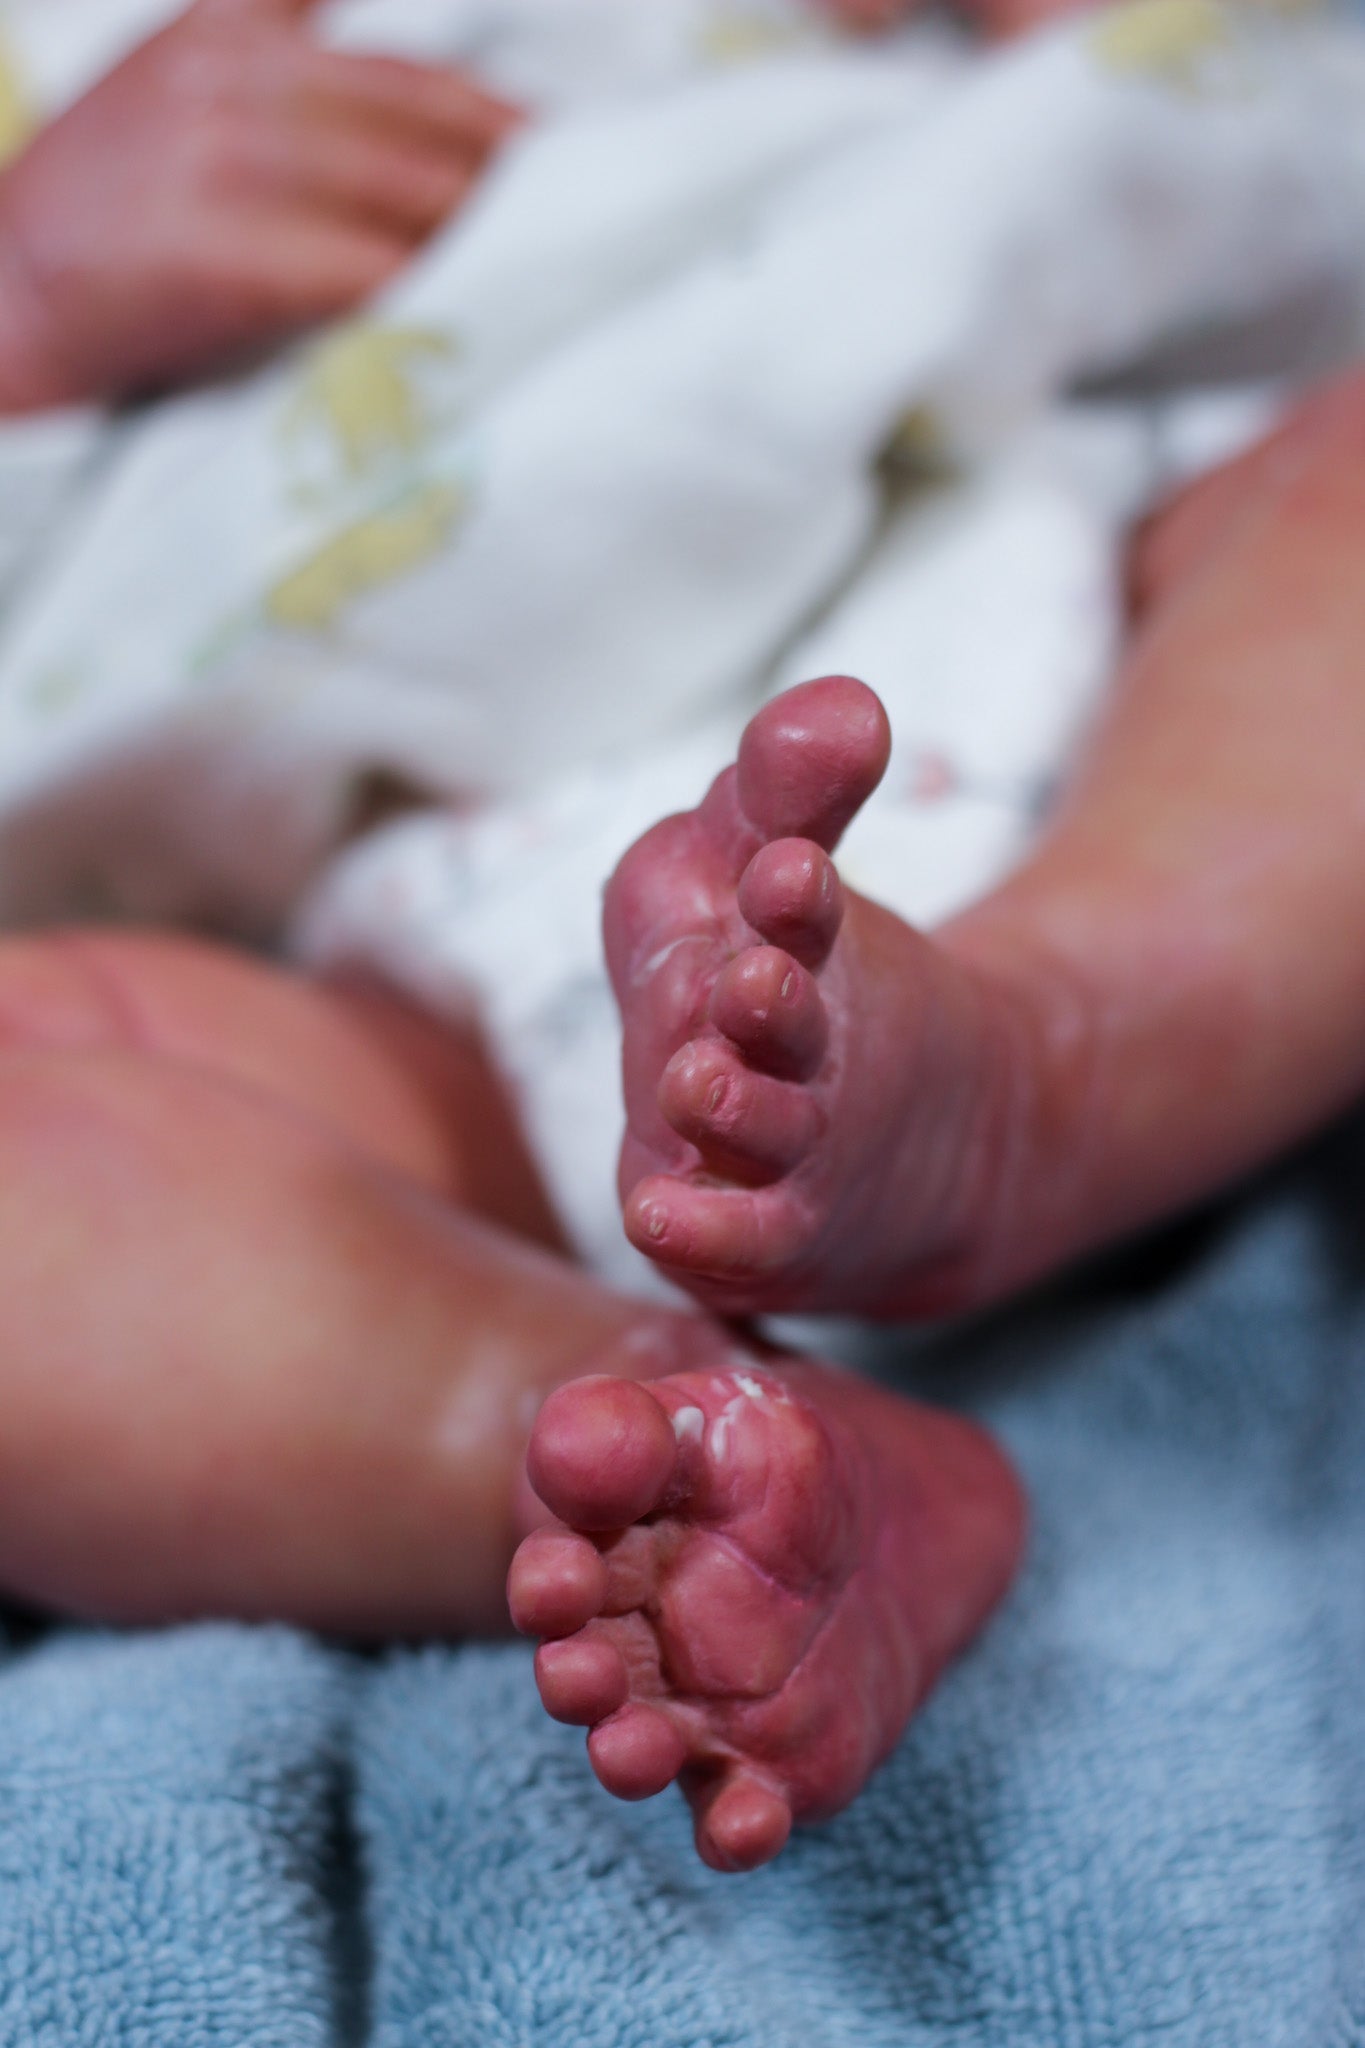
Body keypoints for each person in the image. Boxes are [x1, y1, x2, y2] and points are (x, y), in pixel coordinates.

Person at [0, 0, 1359, 1875]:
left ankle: (1046, 1063)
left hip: (1107, 622)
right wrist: (24, 297)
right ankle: (640, 1439)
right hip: (374, 966)